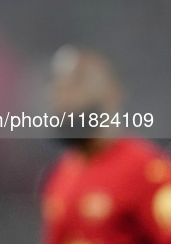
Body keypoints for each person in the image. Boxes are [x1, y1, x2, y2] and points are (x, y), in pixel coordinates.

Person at [42, 45, 171, 244]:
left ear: (113, 94)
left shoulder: (147, 173)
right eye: (59, 87)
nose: (63, 99)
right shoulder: (61, 173)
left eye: (77, 85)